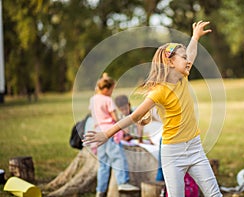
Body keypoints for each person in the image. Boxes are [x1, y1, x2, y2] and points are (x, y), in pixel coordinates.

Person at [84, 21, 222, 197]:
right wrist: (106, 134)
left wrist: (195, 37)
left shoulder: (182, 76)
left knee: (215, 194)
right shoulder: (159, 91)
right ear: (170, 62)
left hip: (195, 148)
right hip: (173, 153)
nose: (188, 60)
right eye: (183, 57)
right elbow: (134, 116)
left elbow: (192, 53)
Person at [88, 75, 139, 197]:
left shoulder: (93, 99)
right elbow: (116, 119)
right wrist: (125, 131)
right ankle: (123, 182)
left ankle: (100, 190)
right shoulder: (108, 100)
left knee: (103, 164)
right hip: (109, 133)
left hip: (98, 133)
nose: (112, 92)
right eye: (111, 89)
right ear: (106, 89)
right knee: (118, 158)